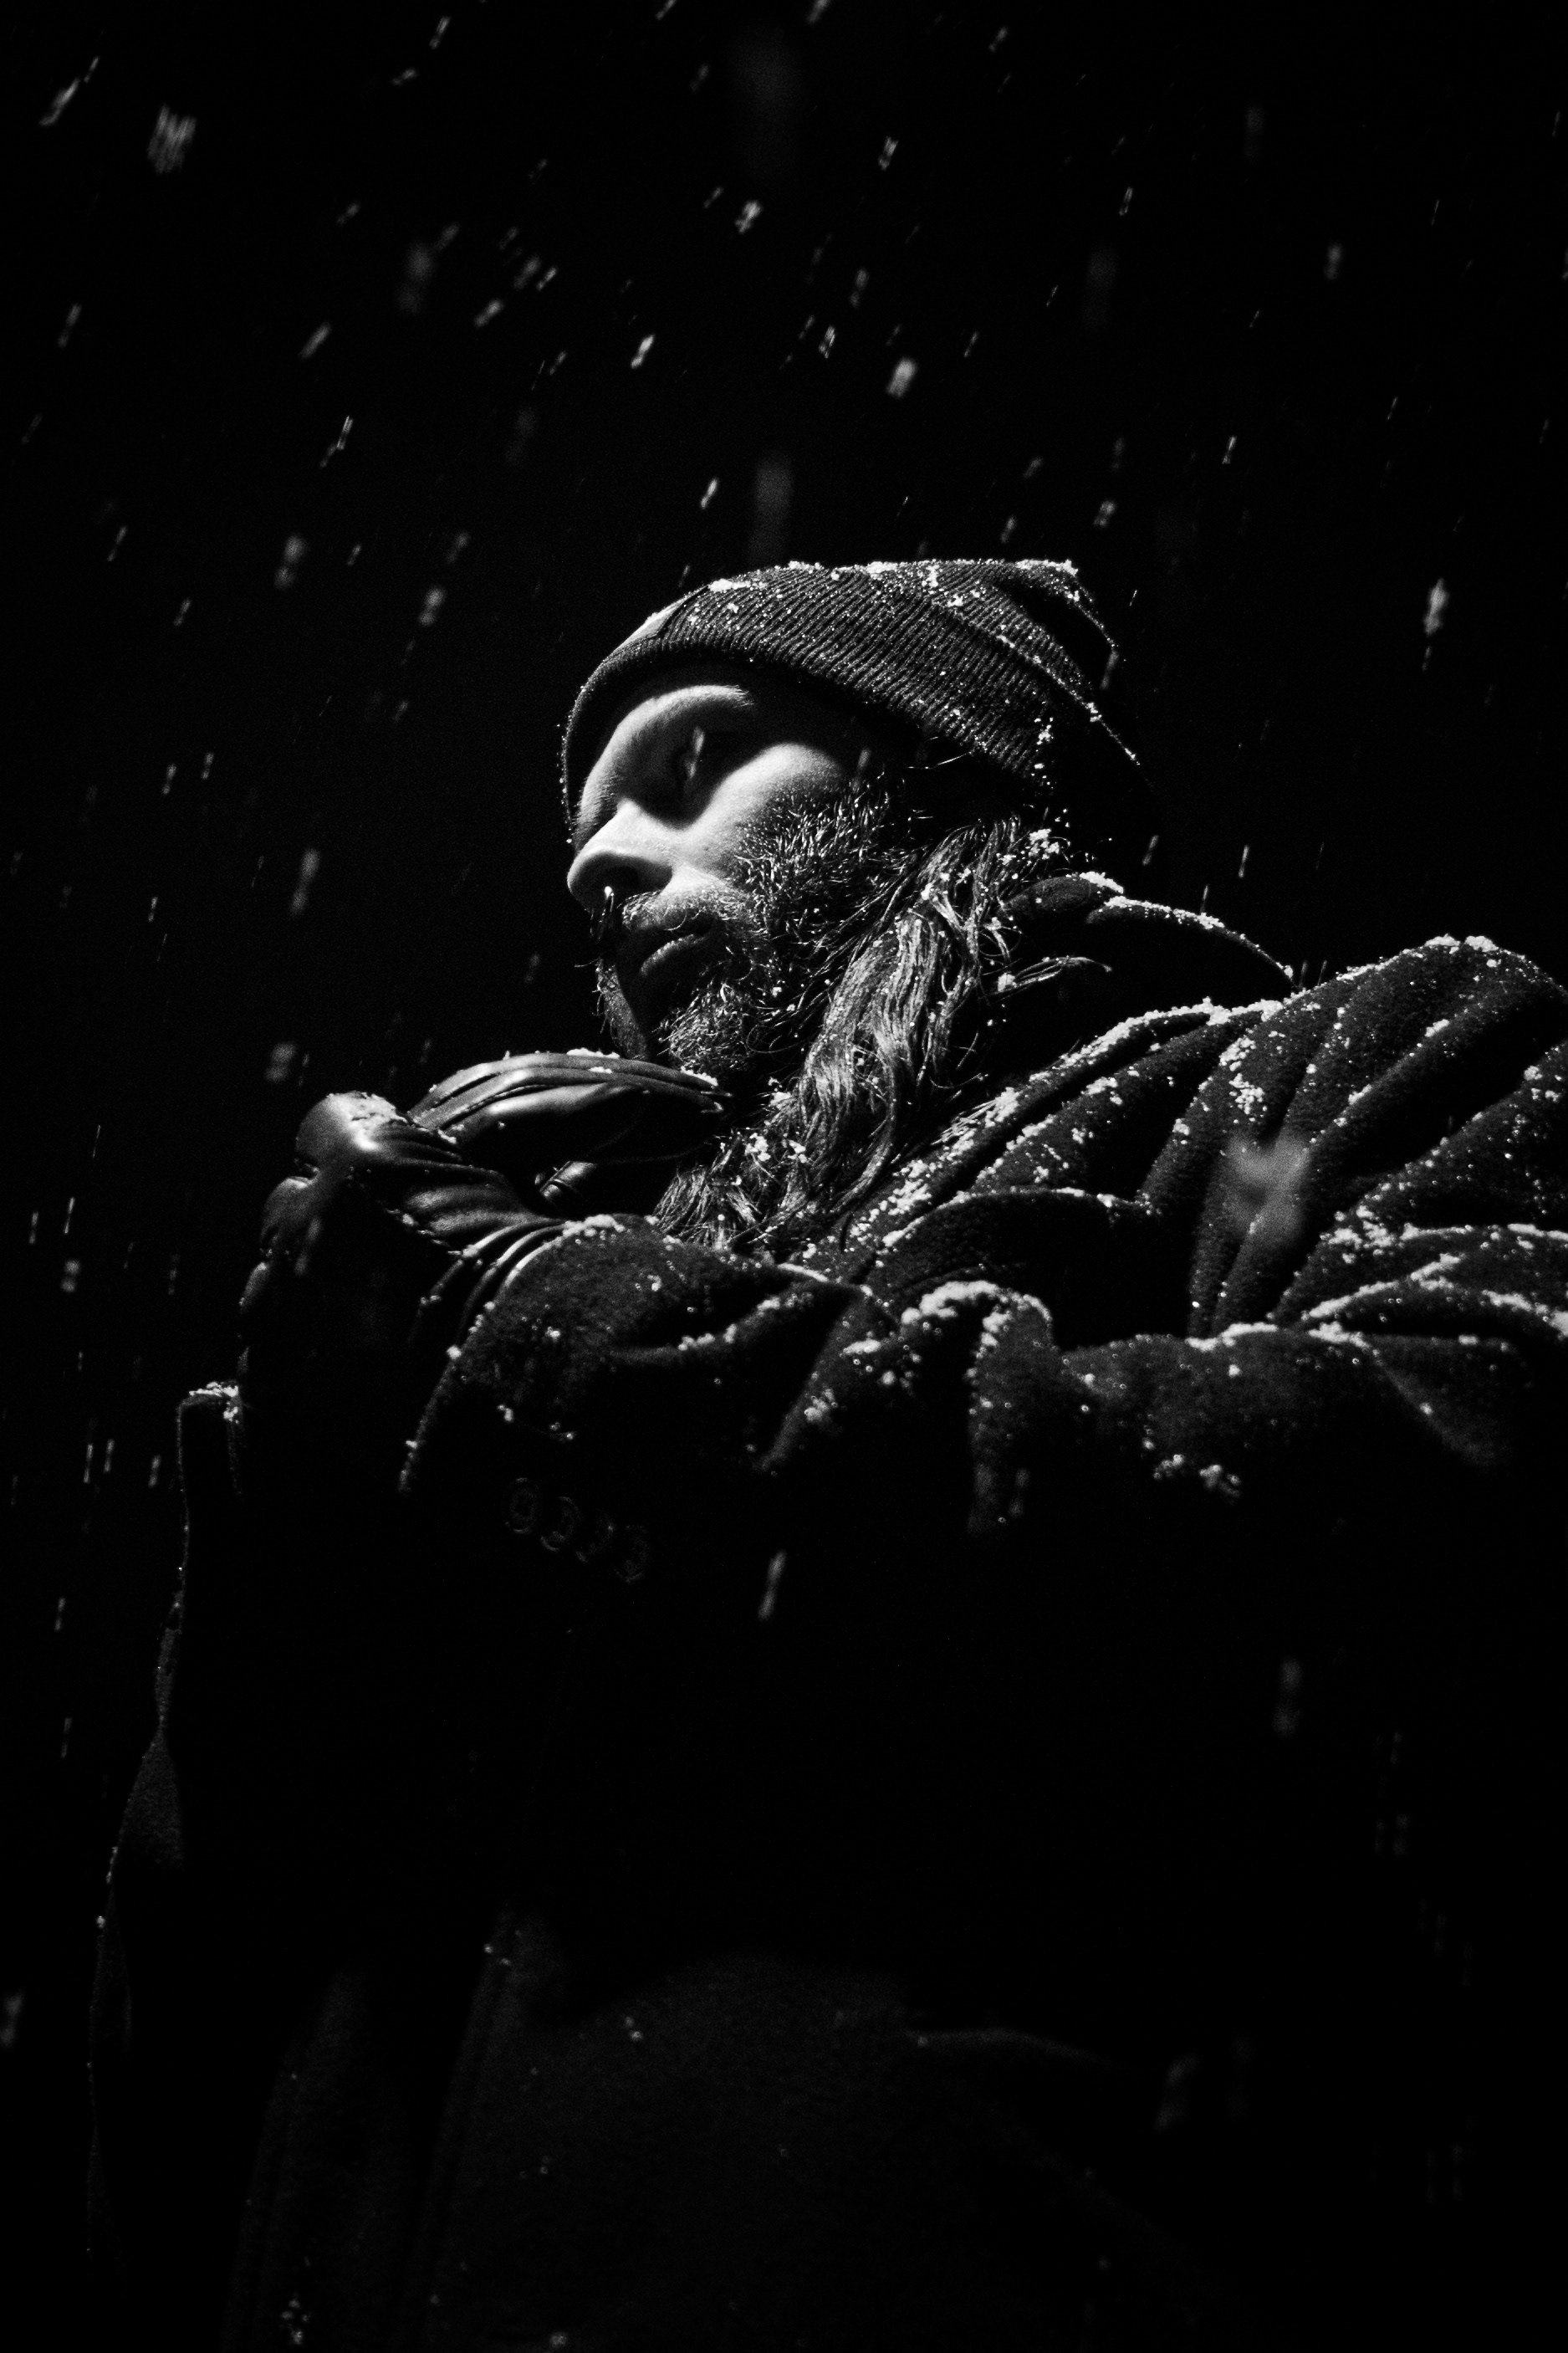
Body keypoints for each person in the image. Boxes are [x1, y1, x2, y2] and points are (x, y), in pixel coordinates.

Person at [88, 558, 1566, 2351]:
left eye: (693, 759)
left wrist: (571, 1333)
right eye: (584, 826)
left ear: (936, 776)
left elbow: (1425, 1534)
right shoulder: (577, 1291)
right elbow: (198, 2074)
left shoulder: (1331, 1073)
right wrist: (300, 1505)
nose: (600, 858)